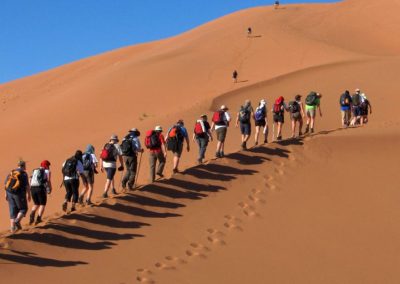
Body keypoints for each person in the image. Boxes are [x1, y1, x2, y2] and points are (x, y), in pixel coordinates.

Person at [4, 160, 30, 233]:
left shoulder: (11, 172)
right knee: (23, 209)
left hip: (9, 193)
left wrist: (5, 194)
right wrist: (29, 195)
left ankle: (12, 228)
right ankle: (17, 221)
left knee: (13, 210)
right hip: (18, 194)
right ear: (23, 166)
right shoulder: (23, 174)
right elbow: (27, 186)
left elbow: (5, 184)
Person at [29, 160, 52, 225]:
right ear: (46, 166)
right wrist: (49, 189)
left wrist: (30, 187)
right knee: (42, 204)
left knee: (36, 203)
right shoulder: (45, 171)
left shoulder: (34, 170)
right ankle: (38, 218)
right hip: (40, 188)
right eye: (48, 165)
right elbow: (48, 181)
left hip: (32, 188)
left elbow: (30, 179)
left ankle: (32, 213)